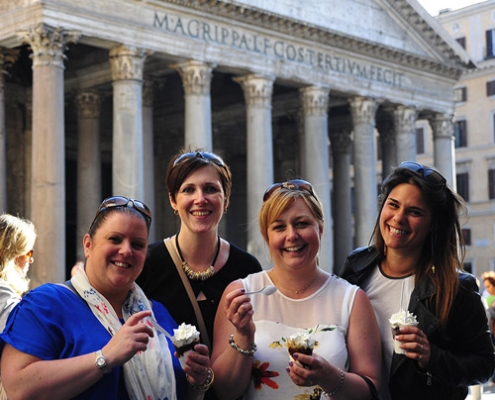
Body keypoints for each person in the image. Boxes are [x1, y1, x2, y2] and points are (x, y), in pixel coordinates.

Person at [1, 196, 212, 400]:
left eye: (137, 244)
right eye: (115, 239)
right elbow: (19, 388)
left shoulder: (157, 314)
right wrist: (105, 357)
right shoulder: (46, 304)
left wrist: (196, 381)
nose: (126, 250)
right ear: (88, 245)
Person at [210, 179, 381, 400]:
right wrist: (244, 336)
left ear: (320, 228)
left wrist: (330, 377)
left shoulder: (352, 299)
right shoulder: (242, 293)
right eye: (279, 227)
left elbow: (372, 391)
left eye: (301, 223)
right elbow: (224, 392)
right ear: (267, 235)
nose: (292, 235)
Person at [340, 161, 495, 400]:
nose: (398, 218)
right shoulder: (356, 266)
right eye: (393, 205)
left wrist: (431, 357)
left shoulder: (457, 288)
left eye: (414, 212)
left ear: (432, 224)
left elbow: (485, 366)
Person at [136, 150, 262, 399]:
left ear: (225, 200)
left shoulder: (247, 268)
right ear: (173, 200)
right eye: (188, 190)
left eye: (210, 189)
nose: (200, 199)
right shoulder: (147, 264)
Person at [0, 213, 36, 329]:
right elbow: (22, 333)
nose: (31, 260)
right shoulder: (3, 294)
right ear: (12, 254)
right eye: (29, 253)